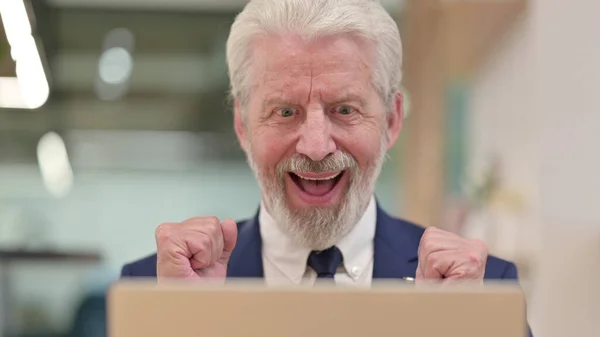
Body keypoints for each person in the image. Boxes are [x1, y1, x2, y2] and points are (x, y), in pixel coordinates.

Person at [122, 0, 524, 294]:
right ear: (242, 124)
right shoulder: (154, 290)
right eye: (284, 111)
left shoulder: (483, 288)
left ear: (391, 120)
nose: (316, 147)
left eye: (344, 109)